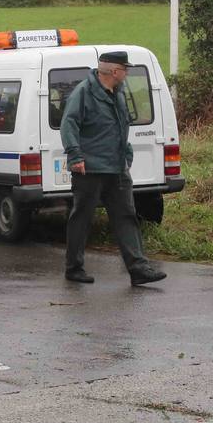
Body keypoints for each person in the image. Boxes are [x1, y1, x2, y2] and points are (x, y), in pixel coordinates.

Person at [60, 50, 166, 286]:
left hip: (117, 168)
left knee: (126, 216)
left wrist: (126, 153)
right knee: (82, 217)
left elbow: (121, 125)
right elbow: (68, 124)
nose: (127, 73)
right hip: (90, 168)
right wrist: (75, 156)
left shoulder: (117, 92)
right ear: (115, 71)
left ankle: (138, 269)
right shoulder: (84, 93)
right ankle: (74, 267)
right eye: (125, 69)